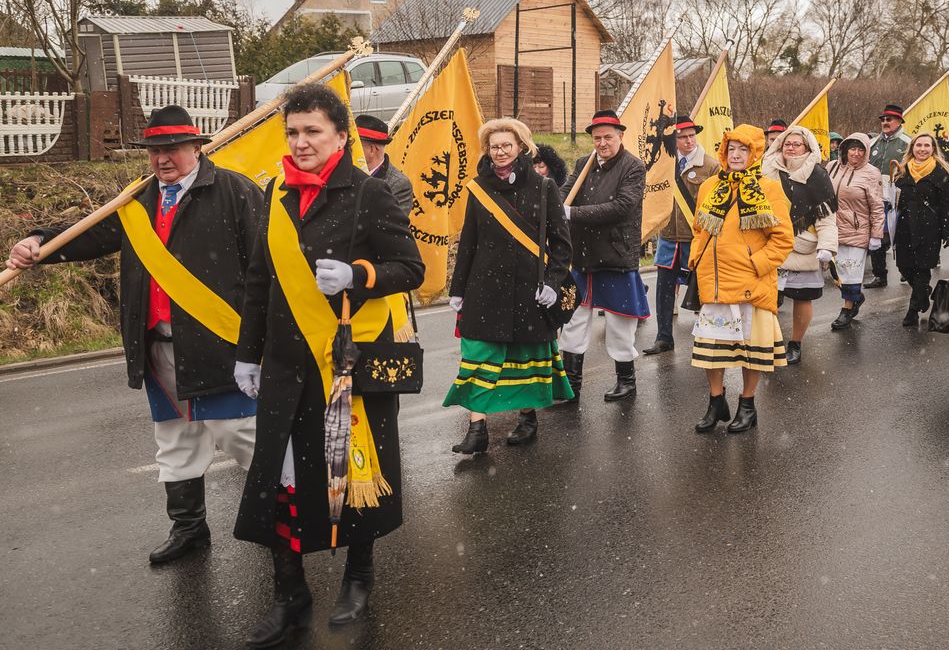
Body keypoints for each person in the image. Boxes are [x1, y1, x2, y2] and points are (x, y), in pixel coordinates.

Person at [5, 105, 262, 565]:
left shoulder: (234, 193)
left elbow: (268, 265)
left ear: (197, 148)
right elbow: (89, 234)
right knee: (175, 439)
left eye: (173, 150)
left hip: (220, 344)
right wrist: (40, 242)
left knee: (242, 434)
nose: (162, 160)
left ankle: (279, 521)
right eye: (155, 151)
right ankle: (189, 529)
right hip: (159, 348)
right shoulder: (136, 201)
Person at [233, 83, 425, 644]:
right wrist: (248, 354)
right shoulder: (275, 194)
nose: (300, 142)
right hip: (287, 363)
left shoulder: (369, 195)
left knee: (353, 476)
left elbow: (409, 269)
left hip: (349, 361)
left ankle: (358, 575)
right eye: (292, 132)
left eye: (312, 131)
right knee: (280, 480)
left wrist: (359, 276)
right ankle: (290, 596)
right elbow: (258, 282)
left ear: (341, 137)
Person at [445, 118, 574, 453]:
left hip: (527, 291)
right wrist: (457, 289)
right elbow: (469, 243)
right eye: (494, 146)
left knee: (523, 357)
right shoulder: (478, 188)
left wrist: (553, 283)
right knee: (477, 356)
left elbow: (561, 245)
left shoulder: (544, 188)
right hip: (483, 290)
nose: (499, 152)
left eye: (506, 145)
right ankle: (477, 429)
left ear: (522, 148)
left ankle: (527, 417)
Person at [689, 124, 793, 432]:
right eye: (731, 149)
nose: (735, 155)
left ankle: (747, 406)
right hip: (715, 282)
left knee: (752, 351)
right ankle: (716, 401)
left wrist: (757, 263)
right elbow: (699, 228)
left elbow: (783, 239)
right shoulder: (710, 187)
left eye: (743, 150)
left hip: (752, 283)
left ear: (755, 153)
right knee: (711, 350)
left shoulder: (768, 189)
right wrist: (696, 256)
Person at [558, 110, 649, 402]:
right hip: (583, 257)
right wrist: (552, 205)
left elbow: (622, 207)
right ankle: (571, 384)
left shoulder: (634, 167)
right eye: (597, 138)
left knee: (620, 323)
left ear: (620, 136)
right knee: (573, 320)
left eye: (608, 137)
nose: (602, 143)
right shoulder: (584, 163)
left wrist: (572, 213)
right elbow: (566, 192)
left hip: (616, 256)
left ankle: (627, 380)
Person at [762, 126, 838, 365]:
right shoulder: (767, 169)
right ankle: (769, 342)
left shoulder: (817, 174)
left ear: (807, 147)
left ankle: (795, 342)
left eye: (797, 144)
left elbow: (826, 216)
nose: (791, 147)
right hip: (772, 245)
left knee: (801, 299)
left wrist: (827, 246)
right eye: (787, 143)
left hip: (803, 245)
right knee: (766, 300)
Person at [645, 113, 719, 355]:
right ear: (673, 140)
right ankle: (663, 337)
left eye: (691, 136)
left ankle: (708, 335)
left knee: (703, 289)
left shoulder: (710, 166)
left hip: (696, 238)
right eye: (682, 137)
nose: (689, 141)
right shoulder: (663, 164)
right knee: (664, 290)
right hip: (668, 238)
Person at [892, 132, 949, 327]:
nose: (922, 149)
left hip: (929, 228)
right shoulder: (902, 171)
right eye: (918, 145)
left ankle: (913, 310)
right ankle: (923, 292)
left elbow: (947, 204)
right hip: (904, 226)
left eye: (926, 146)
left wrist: (948, 232)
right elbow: (893, 200)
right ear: (912, 148)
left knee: (922, 267)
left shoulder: (940, 173)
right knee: (904, 266)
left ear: (933, 149)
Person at [825, 133, 884, 330]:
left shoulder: (871, 173)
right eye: (852, 149)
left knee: (851, 271)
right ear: (844, 149)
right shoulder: (832, 167)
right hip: (832, 228)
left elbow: (877, 206)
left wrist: (877, 234)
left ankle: (847, 308)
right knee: (836, 271)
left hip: (857, 229)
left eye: (861, 149)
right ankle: (856, 296)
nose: (856, 153)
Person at [865, 103, 911, 288]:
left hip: (898, 197)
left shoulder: (908, 143)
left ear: (899, 121)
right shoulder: (872, 143)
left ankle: (906, 271)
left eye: (889, 119)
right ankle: (879, 275)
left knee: (900, 236)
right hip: (875, 197)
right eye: (883, 119)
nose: (885, 122)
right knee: (876, 236)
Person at [356, 114, 413, 215]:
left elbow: (392, 225)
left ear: (372, 149)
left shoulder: (399, 184)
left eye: (355, 146)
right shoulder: (346, 172)